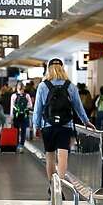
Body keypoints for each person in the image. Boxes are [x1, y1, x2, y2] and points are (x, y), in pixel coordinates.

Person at [31, 58, 90, 190]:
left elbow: (38, 109)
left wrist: (36, 126)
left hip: (48, 126)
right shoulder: (70, 86)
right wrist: (86, 121)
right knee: (63, 157)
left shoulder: (43, 86)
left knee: (50, 157)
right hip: (65, 126)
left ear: (49, 69)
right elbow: (78, 107)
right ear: (63, 69)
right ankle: (60, 187)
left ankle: (52, 187)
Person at [10, 81, 33, 147]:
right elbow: (30, 105)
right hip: (24, 115)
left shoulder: (13, 96)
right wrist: (24, 108)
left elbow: (12, 107)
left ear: (17, 88)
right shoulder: (27, 95)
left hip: (16, 116)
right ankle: (22, 144)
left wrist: (11, 117)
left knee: (16, 130)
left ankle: (17, 143)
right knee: (23, 130)